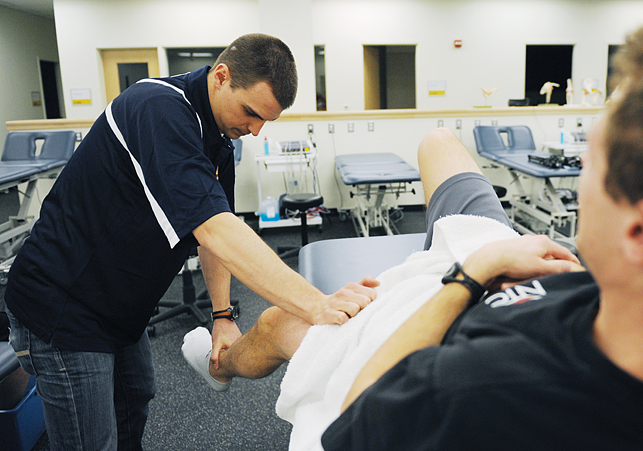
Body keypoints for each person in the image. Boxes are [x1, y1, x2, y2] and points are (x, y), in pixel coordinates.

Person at [184, 11, 643, 450]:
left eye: (594, 166)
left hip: (458, 288)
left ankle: (220, 363)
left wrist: (467, 277)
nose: (581, 180)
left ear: (640, 233)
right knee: (440, 140)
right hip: (525, 261)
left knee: (278, 325)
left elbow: (357, 422)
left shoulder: (477, 394)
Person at [4, 33, 376, 451]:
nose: (254, 131)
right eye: (251, 113)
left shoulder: (218, 136)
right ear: (221, 76)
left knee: (134, 401)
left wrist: (222, 315)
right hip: (63, 303)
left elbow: (215, 232)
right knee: (92, 440)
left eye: (265, 122)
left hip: (119, 303)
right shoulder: (157, 107)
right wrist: (316, 304)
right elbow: (216, 228)